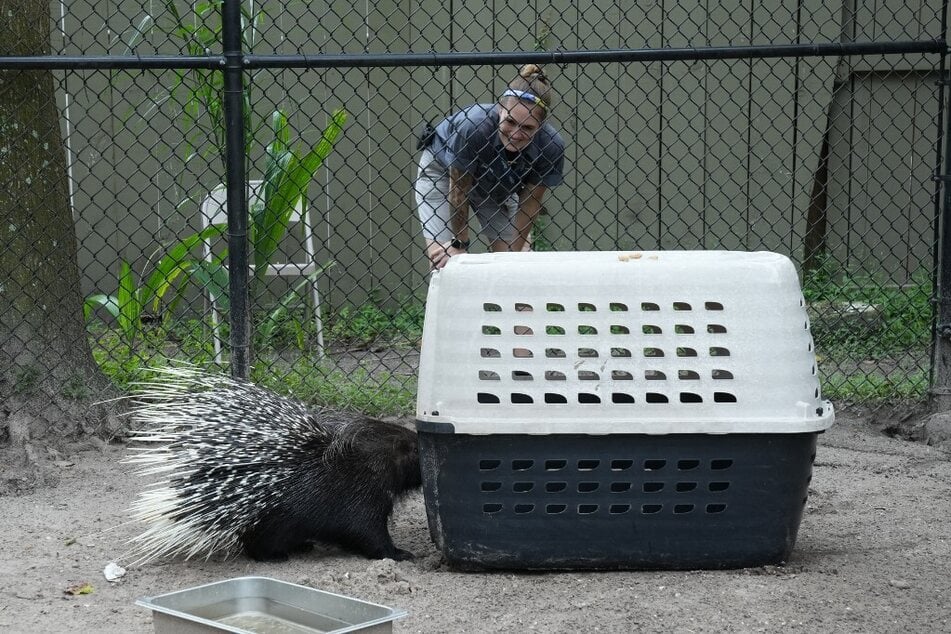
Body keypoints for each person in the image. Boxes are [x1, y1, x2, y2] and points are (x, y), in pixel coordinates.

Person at [414, 64, 566, 269]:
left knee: (518, 265)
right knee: (447, 262)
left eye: (527, 127)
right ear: (500, 110)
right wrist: (459, 243)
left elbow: (530, 204)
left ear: (540, 127)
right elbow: (458, 190)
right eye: (510, 122)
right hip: (443, 171)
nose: (515, 133)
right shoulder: (474, 126)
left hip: (495, 181)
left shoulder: (551, 145)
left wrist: (512, 259)